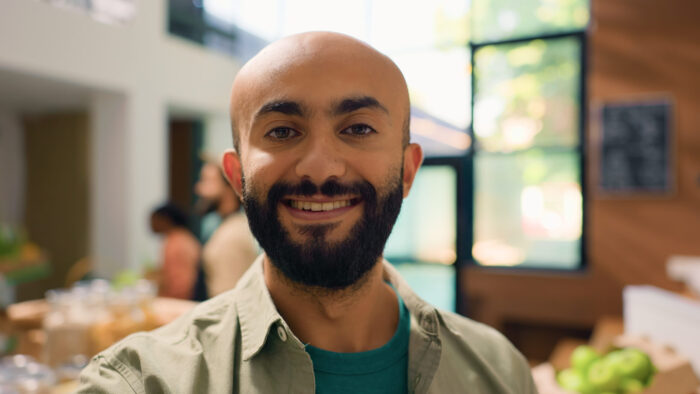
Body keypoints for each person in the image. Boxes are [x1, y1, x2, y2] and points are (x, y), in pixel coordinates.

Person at [79, 32, 537, 393]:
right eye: (281, 131)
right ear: (237, 178)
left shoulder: (498, 372)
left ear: (408, 170)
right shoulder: (143, 382)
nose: (319, 167)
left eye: (357, 128)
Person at [200, 163, 258, 297]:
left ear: (230, 184)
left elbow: (227, 298)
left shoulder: (231, 235)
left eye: (207, 181)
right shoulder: (228, 226)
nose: (200, 189)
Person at [149, 203, 200, 300]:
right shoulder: (181, 238)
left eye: (154, 219)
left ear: (165, 220)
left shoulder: (176, 242)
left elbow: (181, 281)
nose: (151, 224)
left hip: (179, 299)